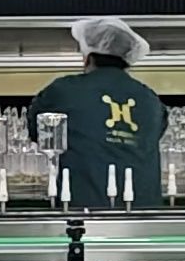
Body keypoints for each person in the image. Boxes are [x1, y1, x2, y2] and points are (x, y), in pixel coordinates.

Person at [27, 17, 167, 209]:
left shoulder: (64, 90)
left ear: (88, 57)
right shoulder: (150, 99)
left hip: (83, 209)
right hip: (144, 212)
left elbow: (39, 134)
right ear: (126, 60)